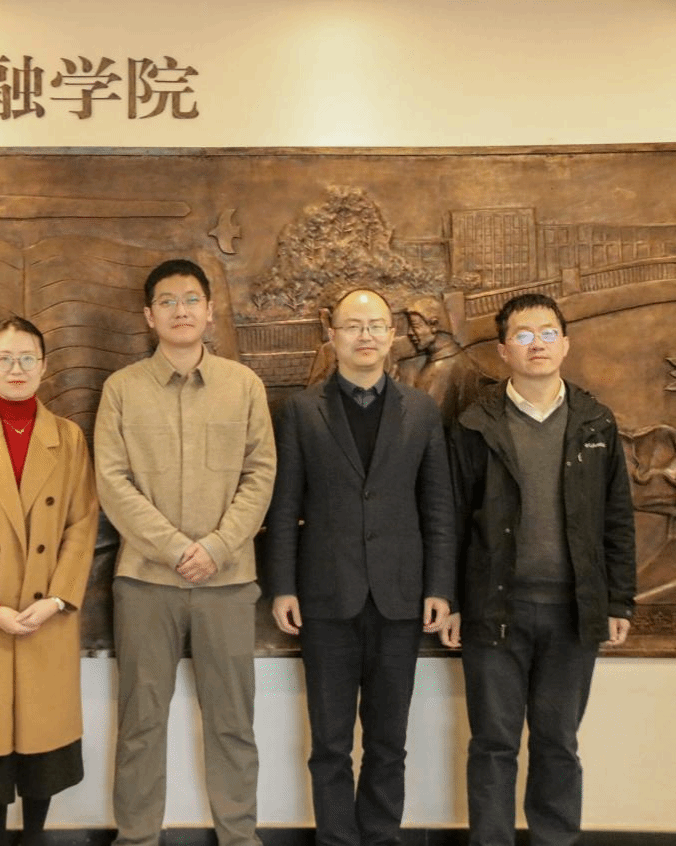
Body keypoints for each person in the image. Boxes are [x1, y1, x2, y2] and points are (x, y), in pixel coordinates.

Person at [441, 292, 636, 846]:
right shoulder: (474, 425)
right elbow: (451, 518)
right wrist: (450, 600)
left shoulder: (596, 422)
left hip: (573, 613)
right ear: (504, 350)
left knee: (557, 743)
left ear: (565, 344)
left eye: (548, 333)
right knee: (493, 744)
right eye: (523, 335)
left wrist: (618, 600)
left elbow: (617, 517)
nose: (537, 344)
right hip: (493, 609)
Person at [95, 258, 277, 846]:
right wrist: (176, 549)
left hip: (228, 582)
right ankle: (136, 838)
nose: (181, 310)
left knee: (233, 724)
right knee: (140, 724)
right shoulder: (121, 389)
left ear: (209, 310)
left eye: (191, 299)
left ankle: (240, 837)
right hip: (145, 583)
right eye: (168, 301)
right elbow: (112, 482)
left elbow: (261, 475)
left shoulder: (243, 385)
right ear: (149, 316)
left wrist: (218, 547)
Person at [265, 288, 455, 846]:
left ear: (392, 335)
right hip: (325, 598)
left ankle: (380, 836)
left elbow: (438, 507)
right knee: (329, 744)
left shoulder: (421, 410)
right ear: (332, 334)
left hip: (400, 598)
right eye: (353, 325)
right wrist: (282, 586)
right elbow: (284, 507)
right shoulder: (302, 411)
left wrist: (440, 587)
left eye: (375, 325)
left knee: (388, 742)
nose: (364, 335)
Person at [0, 316, 99, 846]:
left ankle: (33, 836)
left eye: (27, 357)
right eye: (5, 358)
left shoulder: (69, 439)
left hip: (46, 613)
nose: (16, 368)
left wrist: (57, 599)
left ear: (44, 366)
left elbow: (82, 524)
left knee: (42, 738)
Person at [396, 295, 490, 426]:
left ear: (434, 325)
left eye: (415, 325)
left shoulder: (446, 367)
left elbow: (425, 423)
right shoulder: (445, 360)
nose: (410, 333)